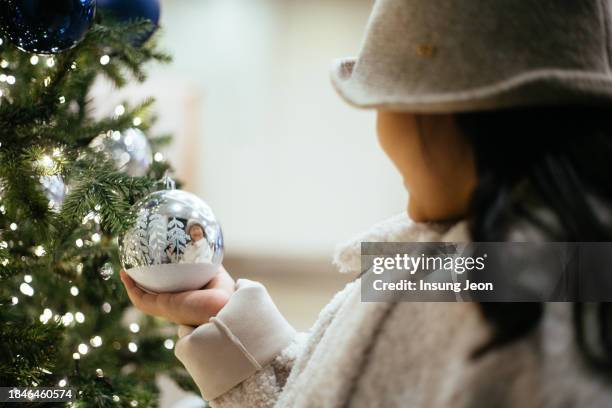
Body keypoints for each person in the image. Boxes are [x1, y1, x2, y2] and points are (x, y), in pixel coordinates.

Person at [120, 1, 612, 406]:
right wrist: (226, 319)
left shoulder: (519, 311)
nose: (381, 129)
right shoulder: (520, 266)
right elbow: (332, 391)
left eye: (381, 102)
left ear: (443, 114)